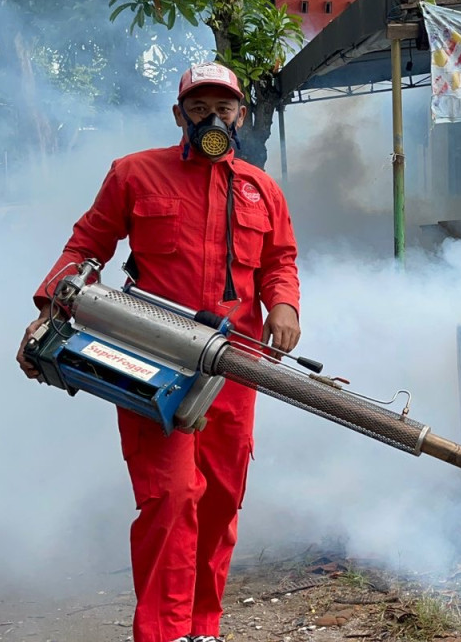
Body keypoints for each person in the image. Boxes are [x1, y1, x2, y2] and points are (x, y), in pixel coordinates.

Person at [16, 62, 301, 642]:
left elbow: (280, 260)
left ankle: (202, 628)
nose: (212, 119)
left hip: (238, 364)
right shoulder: (134, 175)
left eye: (223, 108)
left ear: (240, 115)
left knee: (221, 499)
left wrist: (284, 307)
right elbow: (87, 244)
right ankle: (162, 634)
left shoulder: (260, 188)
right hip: (149, 359)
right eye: (199, 109)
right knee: (171, 496)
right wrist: (49, 306)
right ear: (179, 116)